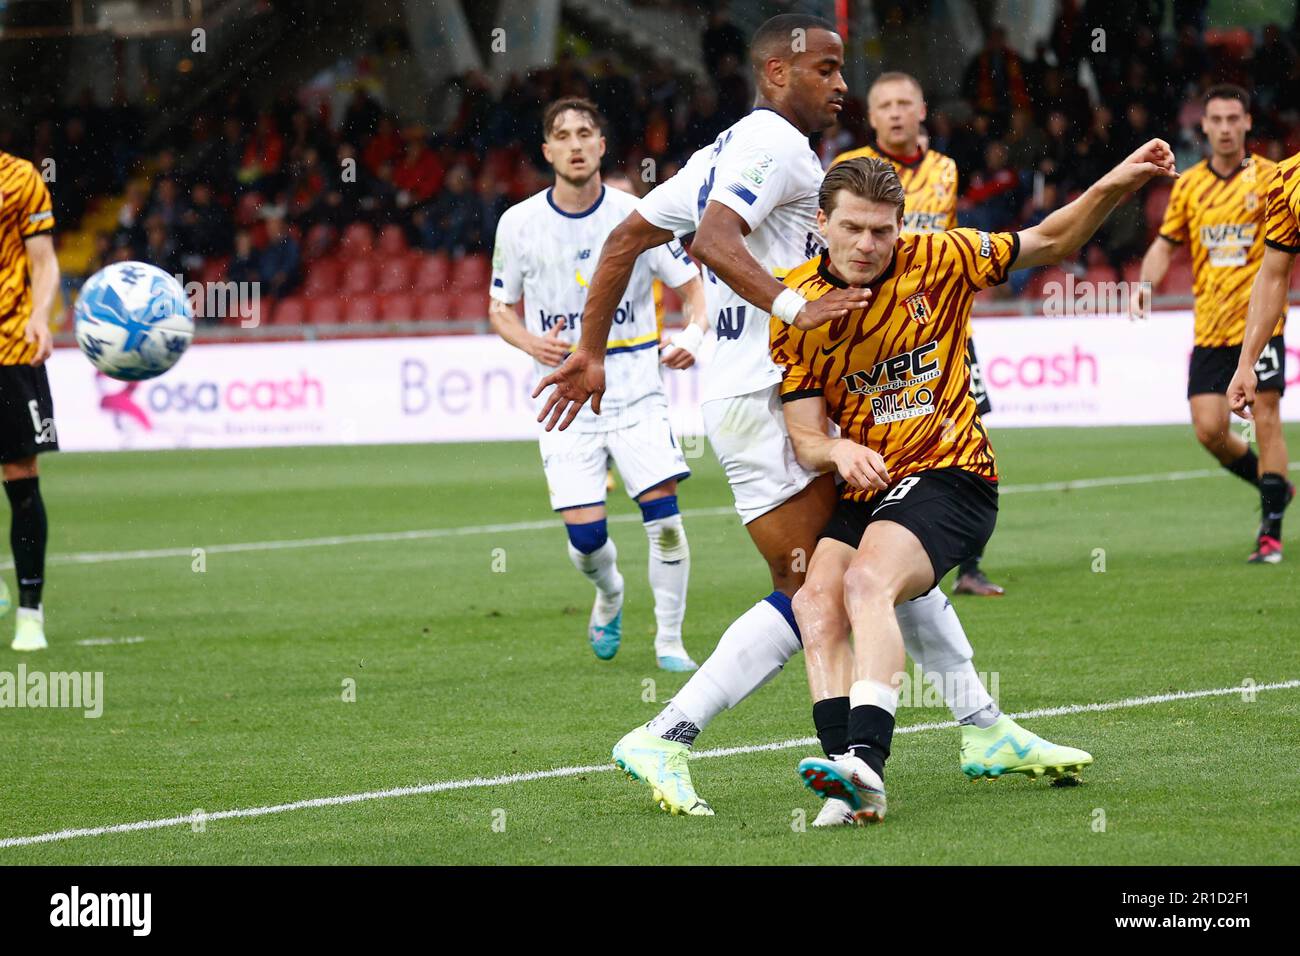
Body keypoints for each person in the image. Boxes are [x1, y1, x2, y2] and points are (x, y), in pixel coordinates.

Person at [536, 16, 1066, 823]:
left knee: (869, 561)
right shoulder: (774, 147)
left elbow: (622, 238)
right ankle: (674, 735)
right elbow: (713, 240)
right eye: (828, 68)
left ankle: (980, 729)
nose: (842, 84)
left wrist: (591, 350)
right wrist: (795, 304)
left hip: (752, 399)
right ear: (779, 72)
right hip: (770, 396)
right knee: (832, 583)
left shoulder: (723, 151)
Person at [784, 140, 1175, 822]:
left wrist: (1117, 178)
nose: (868, 244)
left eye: (883, 230)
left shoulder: (942, 258)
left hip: (951, 473)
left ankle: (866, 766)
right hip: (869, 484)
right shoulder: (800, 309)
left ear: (901, 227)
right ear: (821, 222)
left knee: (864, 584)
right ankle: (849, 792)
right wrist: (835, 451)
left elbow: (1053, 238)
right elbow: (805, 433)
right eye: (852, 228)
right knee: (815, 603)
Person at [489, 98, 707, 670]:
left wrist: (696, 333)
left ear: (602, 145)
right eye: (562, 135)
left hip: (636, 391)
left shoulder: (640, 214)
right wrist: (528, 342)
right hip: (565, 401)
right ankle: (609, 592)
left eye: (586, 132)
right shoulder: (517, 223)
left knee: (665, 520)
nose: (576, 143)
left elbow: (694, 287)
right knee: (586, 542)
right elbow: (499, 307)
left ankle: (669, 642)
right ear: (547, 151)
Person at [832, 71, 1005, 595]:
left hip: (945, 330)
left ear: (923, 109)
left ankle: (965, 563)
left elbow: (954, 245)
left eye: (905, 103)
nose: (896, 113)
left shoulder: (946, 169)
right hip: (876, 333)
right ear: (872, 114)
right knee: (877, 429)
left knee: (968, 433)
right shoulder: (850, 170)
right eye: (885, 104)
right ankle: (881, 537)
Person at [1136, 85, 1292, 563]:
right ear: (1203, 126)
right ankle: (1274, 488)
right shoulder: (1189, 185)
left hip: (1259, 327)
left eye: (1233, 119)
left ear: (1247, 123)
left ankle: (1270, 532)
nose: (1225, 128)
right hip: (1209, 329)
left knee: (1264, 417)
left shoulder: (1271, 179)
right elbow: (1166, 242)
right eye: (1216, 120)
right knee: (1209, 429)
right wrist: (1145, 284)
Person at [0, 149, 60, 650]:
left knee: (20, 476)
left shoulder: (19, 178)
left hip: (10, 344)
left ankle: (29, 610)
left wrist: (40, 314)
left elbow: (43, 259)